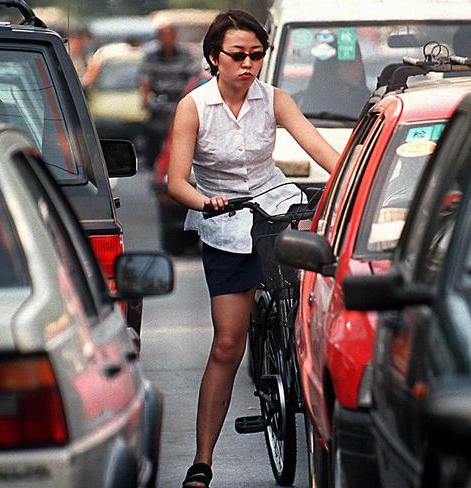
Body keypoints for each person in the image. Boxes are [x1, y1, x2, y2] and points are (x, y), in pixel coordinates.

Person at [167, 10, 339, 488]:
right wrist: (207, 202)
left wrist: (356, 182)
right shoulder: (194, 107)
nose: (248, 65)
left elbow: (323, 152)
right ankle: (202, 462)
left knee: (306, 306)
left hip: (274, 210)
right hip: (223, 224)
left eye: (256, 56)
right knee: (227, 342)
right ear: (213, 58)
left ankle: (302, 378)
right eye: (237, 55)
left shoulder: (276, 100)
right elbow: (176, 182)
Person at [139, 23, 200, 167]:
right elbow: (145, 80)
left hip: (181, 100)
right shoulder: (151, 57)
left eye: (169, 36)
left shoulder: (186, 56)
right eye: (162, 37)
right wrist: (145, 99)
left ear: (174, 37)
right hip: (159, 101)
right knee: (152, 130)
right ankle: (152, 161)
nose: (166, 40)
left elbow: (193, 78)